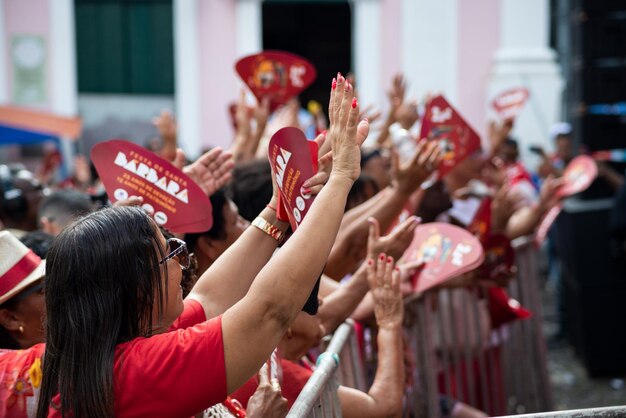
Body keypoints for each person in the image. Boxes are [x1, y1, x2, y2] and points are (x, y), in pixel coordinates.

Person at [34, 73, 367, 417]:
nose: (184, 262)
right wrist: (342, 177)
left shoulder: (112, 351)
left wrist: (279, 208)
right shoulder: (136, 371)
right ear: (134, 292)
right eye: (170, 255)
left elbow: (210, 297)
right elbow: (269, 311)